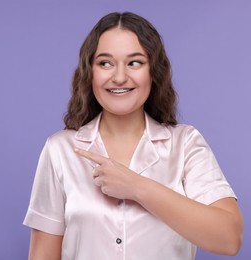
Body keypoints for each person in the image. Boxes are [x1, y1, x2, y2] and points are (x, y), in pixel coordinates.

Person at [23, 12, 243, 260]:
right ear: (90, 72)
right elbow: (42, 254)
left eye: (134, 62)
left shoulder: (185, 144)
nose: (119, 77)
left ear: (153, 72)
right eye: (105, 63)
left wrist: (137, 187)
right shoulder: (60, 150)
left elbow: (229, 238)